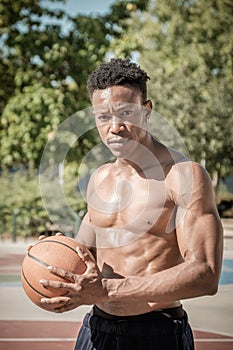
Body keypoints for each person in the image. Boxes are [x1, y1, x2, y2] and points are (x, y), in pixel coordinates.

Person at [39, 58, 223, 349]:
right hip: (97, 329)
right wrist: (52, 257)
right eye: (103, 117)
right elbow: (83, 253)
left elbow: (205, 273)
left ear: (147, 111)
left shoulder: (183, 176)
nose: (115, 127)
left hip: (157, 332)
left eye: (126, 113)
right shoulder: (99, 178)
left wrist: (109, 289)